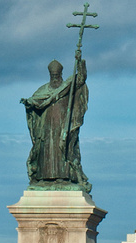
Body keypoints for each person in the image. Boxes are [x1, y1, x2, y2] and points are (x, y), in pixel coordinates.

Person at [22, 57, 91, 192]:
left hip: (62, 123)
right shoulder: (43, 89)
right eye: (53, 75)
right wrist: (29, 103)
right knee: (46, 149)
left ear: (60, 75)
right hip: (46, 125)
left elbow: (81, 79)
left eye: (57, 75)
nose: (55, 77)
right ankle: (45, 178)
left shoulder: (67, 87)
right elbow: (36, 101)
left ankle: (63, 177)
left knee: (62, 148)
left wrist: (80, 62)